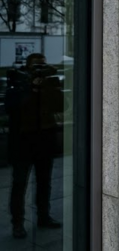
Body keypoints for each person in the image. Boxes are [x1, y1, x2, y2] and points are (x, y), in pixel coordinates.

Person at [5, 53, 63, 239]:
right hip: (23, 140)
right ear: (28, 66)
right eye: (36, 66)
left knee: (44, 182)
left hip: (44, 138)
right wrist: (30, 87)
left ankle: (44, 216)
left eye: (43, 66)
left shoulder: (49, 83)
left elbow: (61, 106)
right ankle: (17, 223)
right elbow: (11, 107)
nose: (40, 69)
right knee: (19, 183)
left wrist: (50, 87)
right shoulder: (19, 82)